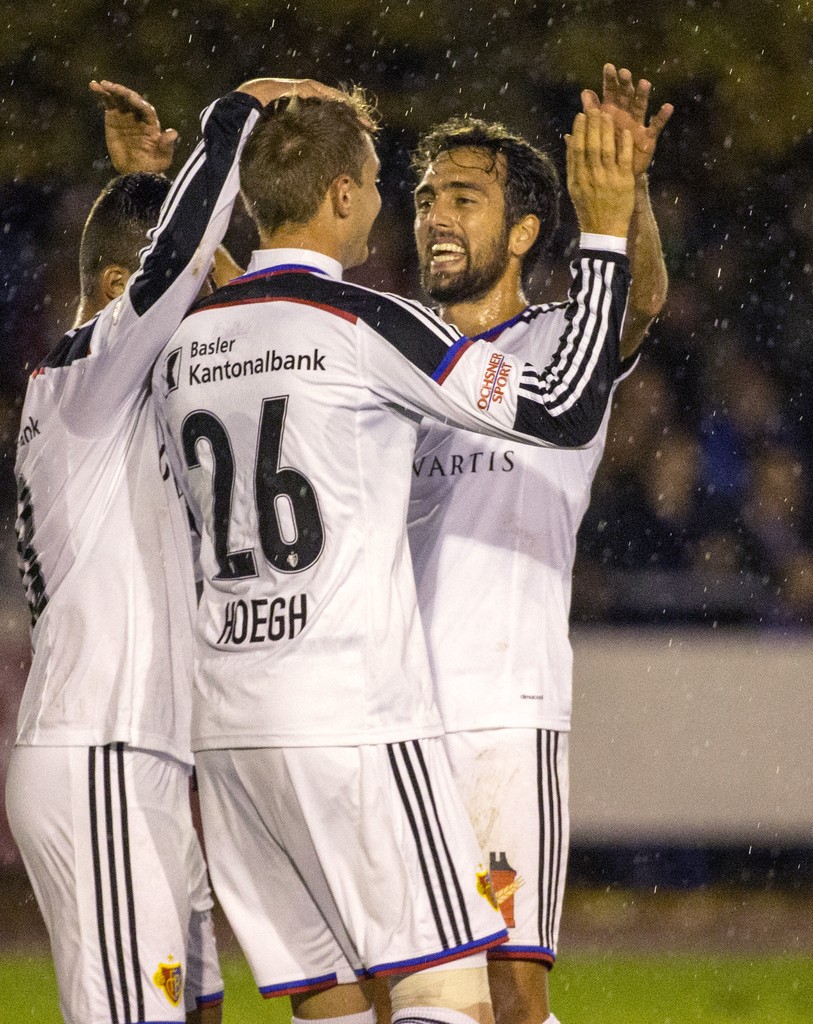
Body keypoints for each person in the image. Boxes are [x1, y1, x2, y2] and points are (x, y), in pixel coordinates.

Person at [152, 87, 635, 1024]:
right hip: (356, 712)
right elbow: (566, 406)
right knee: (451, 995)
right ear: (339, 195)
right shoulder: (369, 324)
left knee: (335, 1002)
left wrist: (206, 147)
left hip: (230, 720)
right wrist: (606, 234)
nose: (399, 205)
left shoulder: (184, 341)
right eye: (385, 183)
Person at [7, 76, 329, 1024]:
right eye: (174, 290)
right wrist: (235, 114)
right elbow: (170, 273)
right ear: (120, 294)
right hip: (104, 750)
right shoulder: (80, 376)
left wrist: (157, 190)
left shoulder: (123, 392)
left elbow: (214, 283)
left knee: (195, 1009)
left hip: (148, 758)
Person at [404, 64, 670, 1024]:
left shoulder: (565, 338)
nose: (434, 214)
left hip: (500, 711)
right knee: (408, 993)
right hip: (382, 711)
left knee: (512, 996)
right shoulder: (391, 348)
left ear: (522, 232)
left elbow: (640, 301)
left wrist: (625, 195)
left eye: (463, 198)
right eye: (427, 196)